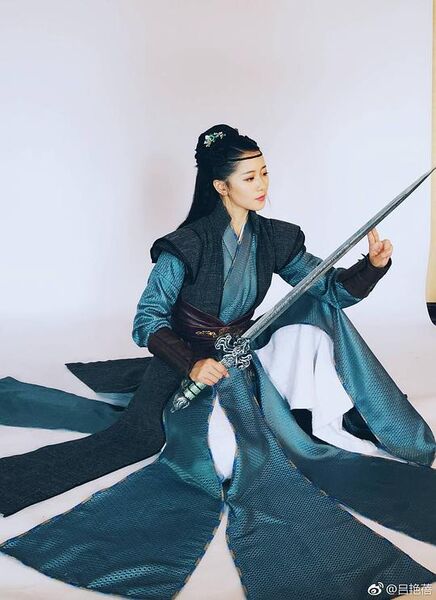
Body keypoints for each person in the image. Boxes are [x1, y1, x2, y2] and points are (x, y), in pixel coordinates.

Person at [0, 124, 434, 599]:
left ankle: (360, 417)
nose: (262, 184)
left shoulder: (275, 237)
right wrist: (190, 363)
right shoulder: (186, 246)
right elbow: (147, 320)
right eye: (249, 177)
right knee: (181, 450)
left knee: (313, 316)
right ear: (220, 186)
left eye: (264, 172)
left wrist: (372, 266)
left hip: (241, 354)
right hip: (188, 362)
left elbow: (326, 289)